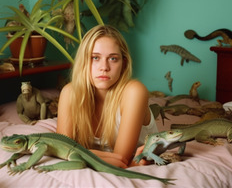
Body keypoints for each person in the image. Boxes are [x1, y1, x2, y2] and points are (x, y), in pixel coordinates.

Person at [57, 25, 158, 168]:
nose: (104, 67)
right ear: (83, 61)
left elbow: (120, 160)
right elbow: (61, 151)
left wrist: (75, 152)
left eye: (113, 58)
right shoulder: (70, 93)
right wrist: (68, 152)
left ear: (123, 64)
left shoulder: (135, 91)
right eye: (95, 57)